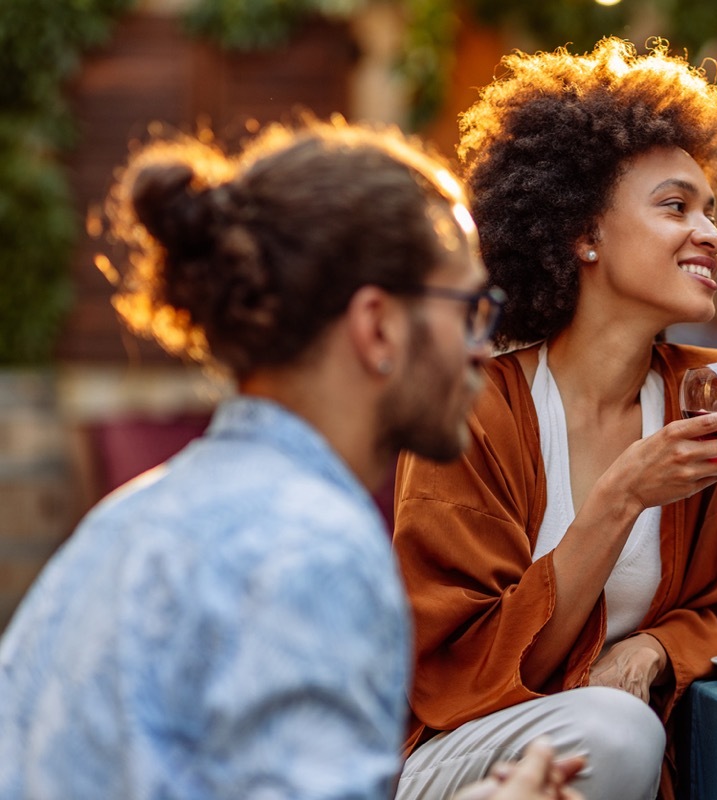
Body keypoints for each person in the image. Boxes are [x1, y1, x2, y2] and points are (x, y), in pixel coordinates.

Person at [0, 118, 581, 799]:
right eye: (471, 309)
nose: (485, 346)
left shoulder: (124, 522)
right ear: (378, 327)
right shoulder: (315, 553)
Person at [392, 38, 717, 800]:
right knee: (617, 729)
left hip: (611, 753)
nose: (711, 233)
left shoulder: (714, 395)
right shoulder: (474, 409)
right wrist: (621, 499)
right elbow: (463, 672)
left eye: (709, 209)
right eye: (675, 207)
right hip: (468, 749)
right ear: (583, 233)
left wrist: (655, 650)